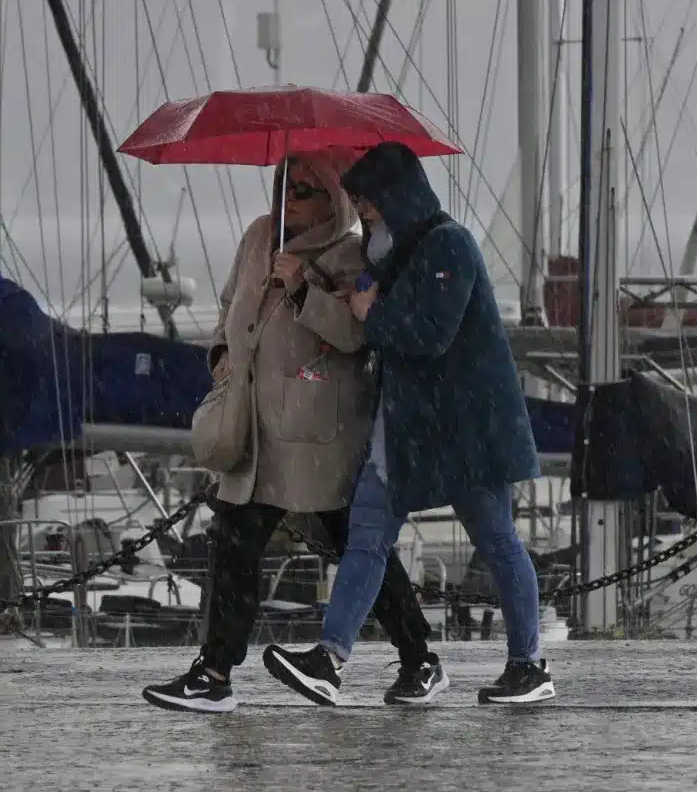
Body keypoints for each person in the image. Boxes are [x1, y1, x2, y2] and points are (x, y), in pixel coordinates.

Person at [141, 152, 443, 714]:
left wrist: (304, 286)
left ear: (333, 196)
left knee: (356, 544)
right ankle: (214, 673)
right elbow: (231, 305)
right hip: (255, 429)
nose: (291, 198)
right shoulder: (260, 236)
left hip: (317, 434)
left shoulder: (355, 253)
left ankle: (418, 654)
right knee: (235, 544)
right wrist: (221, 356)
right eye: (285, 184)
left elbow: (357, 336)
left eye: (306, 187)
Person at [261, 140, 555, 706]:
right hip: (405, 428)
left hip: (464, 431)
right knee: (368, 534)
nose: (363, 212)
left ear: (397, 197)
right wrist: (358, 298)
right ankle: (330, 658)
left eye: (368, 202)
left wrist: (373, 313)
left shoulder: (449, 245)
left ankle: (529, 664)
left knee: (495, 541)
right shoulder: (397, 253)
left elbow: (429, 335)